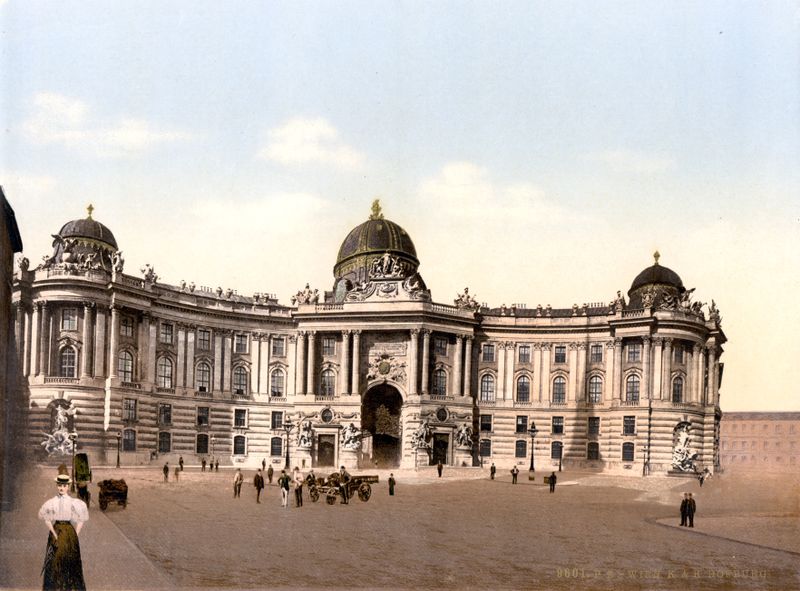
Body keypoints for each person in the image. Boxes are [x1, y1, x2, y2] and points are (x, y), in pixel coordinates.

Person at [39, 466, 88, 591]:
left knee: (70, 560)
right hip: (56, 531)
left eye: (64, 486)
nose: (61, 488)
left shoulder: (73, 502)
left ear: (67, 487)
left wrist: (76, 533)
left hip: (69, 534)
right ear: (57, 486)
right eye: (59, 485)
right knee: (55, 560)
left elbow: (81, 518)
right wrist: (54, 534)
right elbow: (46, 519)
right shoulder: (52, 502)